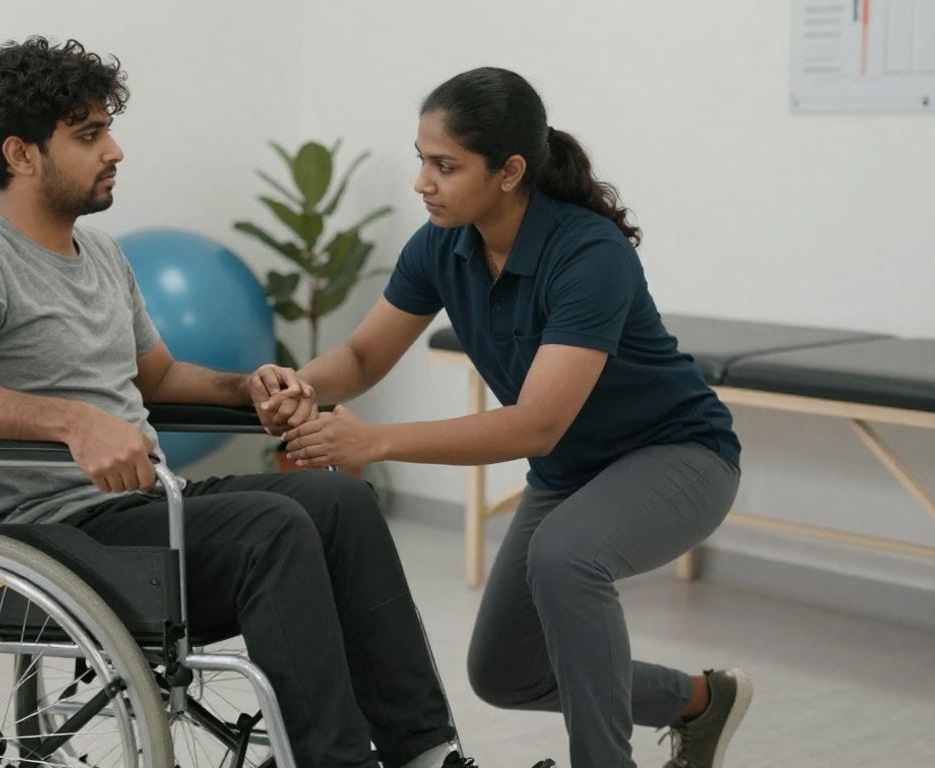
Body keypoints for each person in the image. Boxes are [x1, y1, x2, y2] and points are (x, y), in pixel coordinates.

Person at [0, 37, 503, 768]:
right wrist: (72, 421)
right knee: (271, 527)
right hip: (45, 539)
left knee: (341, 503)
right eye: (89, 135)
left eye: (107, 129)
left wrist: (247, 385)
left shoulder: (103, 256)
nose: (114, 149)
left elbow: (156, 377)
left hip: (138, 510)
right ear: (21, 154)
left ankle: (425, 752)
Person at [260, 67, 751, 768]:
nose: (422, 182)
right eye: (421, 159)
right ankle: (700, 701)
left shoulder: (588, 253)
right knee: (503, 673)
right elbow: (366, 355)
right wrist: (300, 384)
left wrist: (377, 441)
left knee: (567, 556)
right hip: (571, 473)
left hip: (679, 456)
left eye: (445, 165)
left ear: (510, 171)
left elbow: (535, 425)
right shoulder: (443, 243)